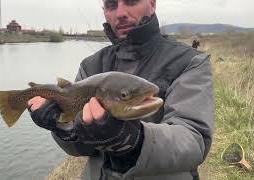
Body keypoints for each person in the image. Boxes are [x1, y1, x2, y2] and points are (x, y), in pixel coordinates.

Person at [28, 0, 214, 179]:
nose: (121, 13)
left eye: (131, 1)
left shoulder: (189, 62)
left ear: (152, 3)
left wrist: (134, 140)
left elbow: (194, 142)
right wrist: (61, 126)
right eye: (111, 5)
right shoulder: (91, 65)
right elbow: (82, 149)